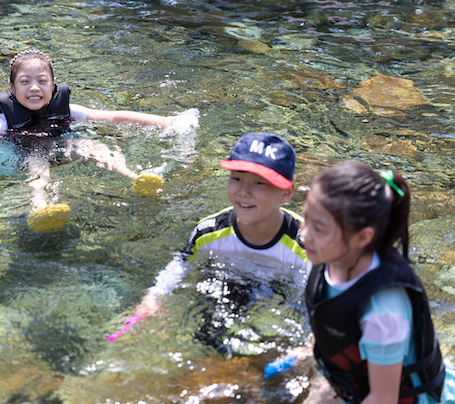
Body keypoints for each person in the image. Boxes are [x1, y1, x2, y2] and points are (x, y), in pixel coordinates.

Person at [0, 49, 190, 231]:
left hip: (62, 149)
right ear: (12, 88)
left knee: (94, 146)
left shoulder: (67, 109)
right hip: (26, 155)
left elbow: (114, 116)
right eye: (25, 82)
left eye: (42, 80)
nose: (34, 87)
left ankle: (135, 177)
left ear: (54, 85)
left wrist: (164, 122)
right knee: (36, 162)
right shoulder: (3, 121)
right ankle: (40, 207)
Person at [300, 161, 455, 404]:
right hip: (354, 385)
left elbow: (383, 398)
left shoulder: (383, 310)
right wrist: (309, 354)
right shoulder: (325, 256)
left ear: (363, 237)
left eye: (319, 228)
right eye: (305, 217)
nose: (304, 234)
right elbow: (326, 313)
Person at [108, 132, 308, 345]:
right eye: (236, 178)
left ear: (286, 193)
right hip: (225, 284)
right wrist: (155, 296)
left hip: (278, 295)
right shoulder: (209, 232)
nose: (244, 191)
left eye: (260, 183)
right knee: (207, 335)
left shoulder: (305, 244)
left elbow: (312, 301)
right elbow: (181, 264)